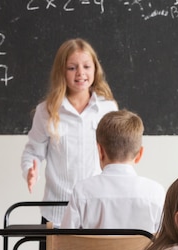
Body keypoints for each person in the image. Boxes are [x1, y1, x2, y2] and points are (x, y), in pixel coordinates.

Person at [20, 38, 118, 234]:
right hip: (57, 214)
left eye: (86, 66)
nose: (80, 73)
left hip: (97, 210)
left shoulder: (108, 108)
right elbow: (32, 153)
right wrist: (30, 171)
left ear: (95, 69)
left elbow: (116, 157)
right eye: (72, 67)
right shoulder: (47, 110)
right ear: (61, 72)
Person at [60, 109, 165, 233]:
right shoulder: (156, 193)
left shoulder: (82, 191)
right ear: (140, 154)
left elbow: (64, 241)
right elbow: (165, 243)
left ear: (100, 151)